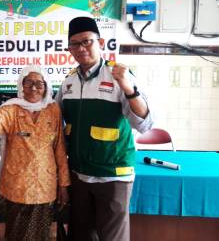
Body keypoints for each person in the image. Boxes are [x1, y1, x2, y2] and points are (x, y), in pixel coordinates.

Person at [55, 17, 154, 241]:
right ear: (69, 49)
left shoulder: (119, 75)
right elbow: (54, 121)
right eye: (74, 44)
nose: (81, 48)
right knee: (80, 235)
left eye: (87, 42)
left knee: (112, 237)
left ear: (100, 42)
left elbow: (145, 123)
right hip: (80, 174)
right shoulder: (68, 82)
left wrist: (127, 87)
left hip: (113, 176)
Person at [0, 65, 70, 241]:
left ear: (46, 87)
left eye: (39, 83)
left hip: (45, 185)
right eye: (28, 82)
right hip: (16, 185)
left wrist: (63, 185)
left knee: (41, 234)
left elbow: (59, 148)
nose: (34, 87)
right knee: (17, 234)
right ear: (21, 85)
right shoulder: (11, 109)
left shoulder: (53, 109)